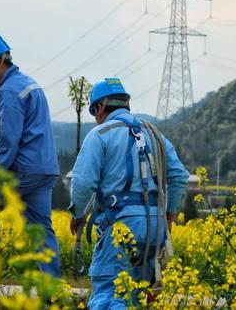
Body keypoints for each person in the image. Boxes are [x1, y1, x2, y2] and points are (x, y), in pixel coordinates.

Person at [69, 77, 189, 309]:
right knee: (135, 296)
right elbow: (179, 176)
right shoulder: (155, 134)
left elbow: (83, 182)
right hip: (155, 228)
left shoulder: (100, 134)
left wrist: (77, 214)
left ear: (100, 107)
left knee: (110, 294)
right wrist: (169, 215)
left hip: (120, 226)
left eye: (95, 112)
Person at [0, 34, 61, 277]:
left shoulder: (8, 91)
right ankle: (51, 289)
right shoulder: (29, 83)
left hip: (24, 169)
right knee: (41, 230)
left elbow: (9, 142)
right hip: (45, 169)